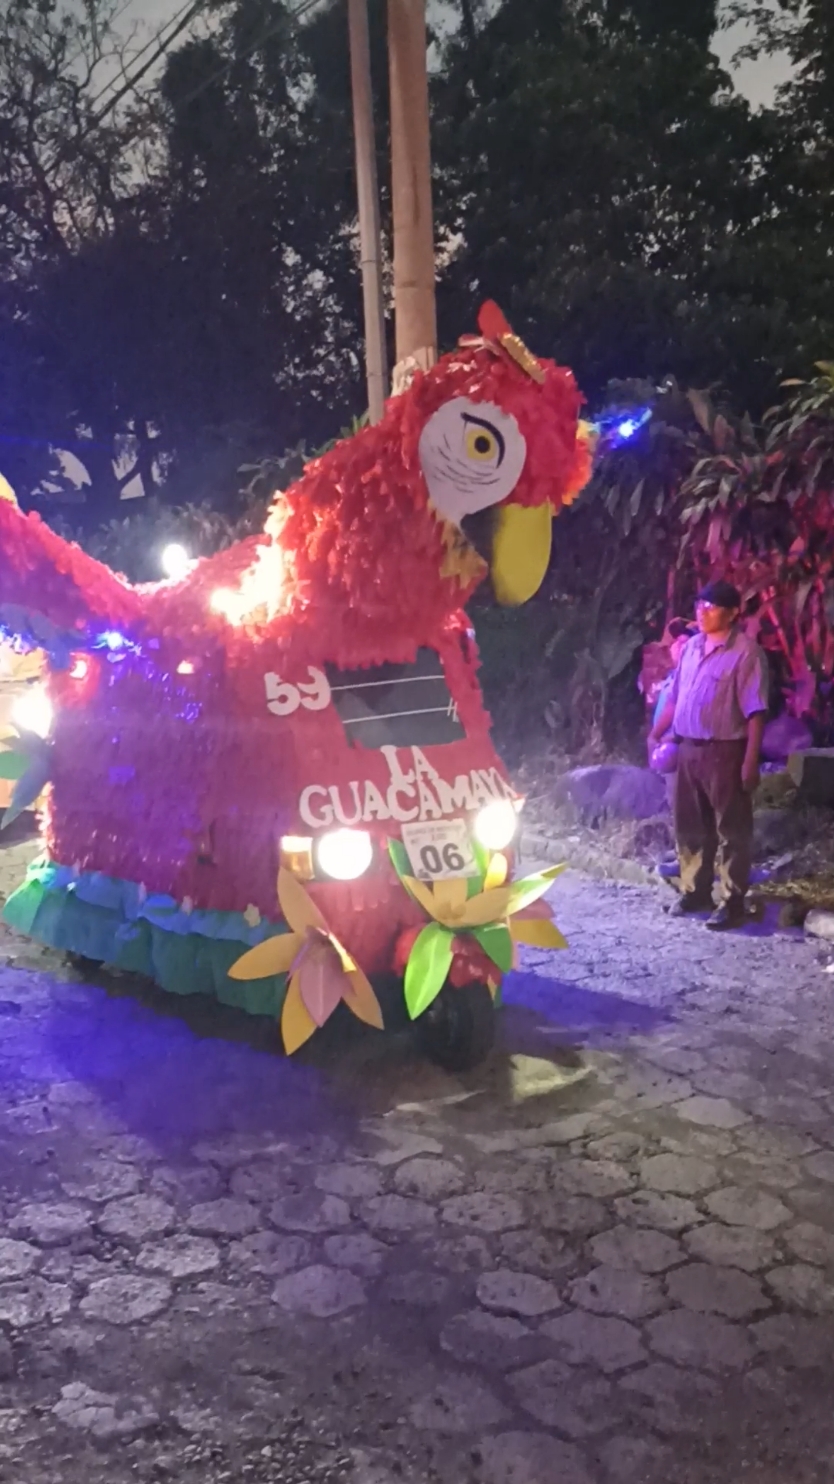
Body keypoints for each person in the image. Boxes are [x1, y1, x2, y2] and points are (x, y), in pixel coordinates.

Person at [649, 579, 769, 931]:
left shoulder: (746, 653)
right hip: (688, 748)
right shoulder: (690, 649)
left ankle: (731, 902)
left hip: (724, 750)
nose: (702, 612)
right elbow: (675, 697)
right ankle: (695, 891)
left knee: (732, 828)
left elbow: (755, 711)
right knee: (690, 825)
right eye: (700, 605)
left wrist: (750, 760)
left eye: (711, 607)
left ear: (732, 613)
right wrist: (657, 733)